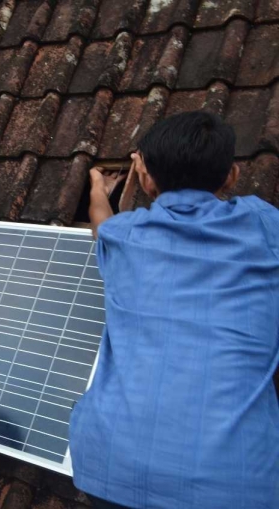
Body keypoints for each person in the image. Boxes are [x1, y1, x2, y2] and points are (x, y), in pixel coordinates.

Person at [69, 111, 279, 509]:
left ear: (146, 180)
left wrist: (97, 185)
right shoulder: (266, 226)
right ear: (231, 177)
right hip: (233, 480)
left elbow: (100, 221)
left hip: (111, 462)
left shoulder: (123, 236)